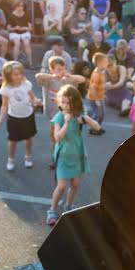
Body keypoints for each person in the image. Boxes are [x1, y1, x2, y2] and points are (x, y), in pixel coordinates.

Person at [46, 84, 101, 225]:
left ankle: (68, 206)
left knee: (75, 183)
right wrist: (66, 122)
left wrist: (86, 119)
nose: (65, 105)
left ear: (75, 102)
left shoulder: (79, 113)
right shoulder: (59, 117)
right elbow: (57, 137)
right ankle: (52, 210)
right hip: (63, 156)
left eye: (68, 103)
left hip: (77, 154)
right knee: (62, 185)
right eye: (63, 102)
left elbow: (97, 127)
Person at [36, 56, 85, 169]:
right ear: (51, 69)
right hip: (54, 115)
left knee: (70, 138)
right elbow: (37, 76)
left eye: (62, 69)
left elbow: (82, 79)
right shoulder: (48, 80)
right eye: (58, 69)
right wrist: (53, 76)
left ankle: (70, 158)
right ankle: (55, 158)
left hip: (68, 115)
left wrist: (70, 75)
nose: (61, 71)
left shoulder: (68, 79)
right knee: (55, 138)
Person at [0, 61, 41, 171]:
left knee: (29, 138)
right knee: (12, 140)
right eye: (15, 74)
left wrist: (36, 102)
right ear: (8, 75)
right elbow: (4, 105)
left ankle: (28, 156)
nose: (19, 76)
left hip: (28, 115)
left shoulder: (27, 84)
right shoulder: (6, 89)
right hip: (14, 118)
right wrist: (1, 119)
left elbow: (32, 97)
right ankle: (11, 159)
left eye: (20, 73)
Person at [6, 0, 33, 66]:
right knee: (17, 43)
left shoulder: (26, 14)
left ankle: (30, 62)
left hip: (24, 32)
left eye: (22, 6)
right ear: (15, 7)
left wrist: (25, 28)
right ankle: (15, 62)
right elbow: (8, 28)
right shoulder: (11, 15)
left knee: (26, 43)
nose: (21, 8)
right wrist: (15, 28)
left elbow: (30, 27)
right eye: (19, 6)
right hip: (14, 32)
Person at [86, 52, 108, 135]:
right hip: (95, 98)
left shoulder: (101, 72)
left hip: (100, 96)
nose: (107, 64)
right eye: (105, 62)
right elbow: (93, 88)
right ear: (99, 64)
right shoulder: (96, 74)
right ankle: (94, 128)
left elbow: (100, 86)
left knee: (101, 113)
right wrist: (96, 99)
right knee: (98, 114)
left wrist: (103, 94)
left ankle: (96, 126)